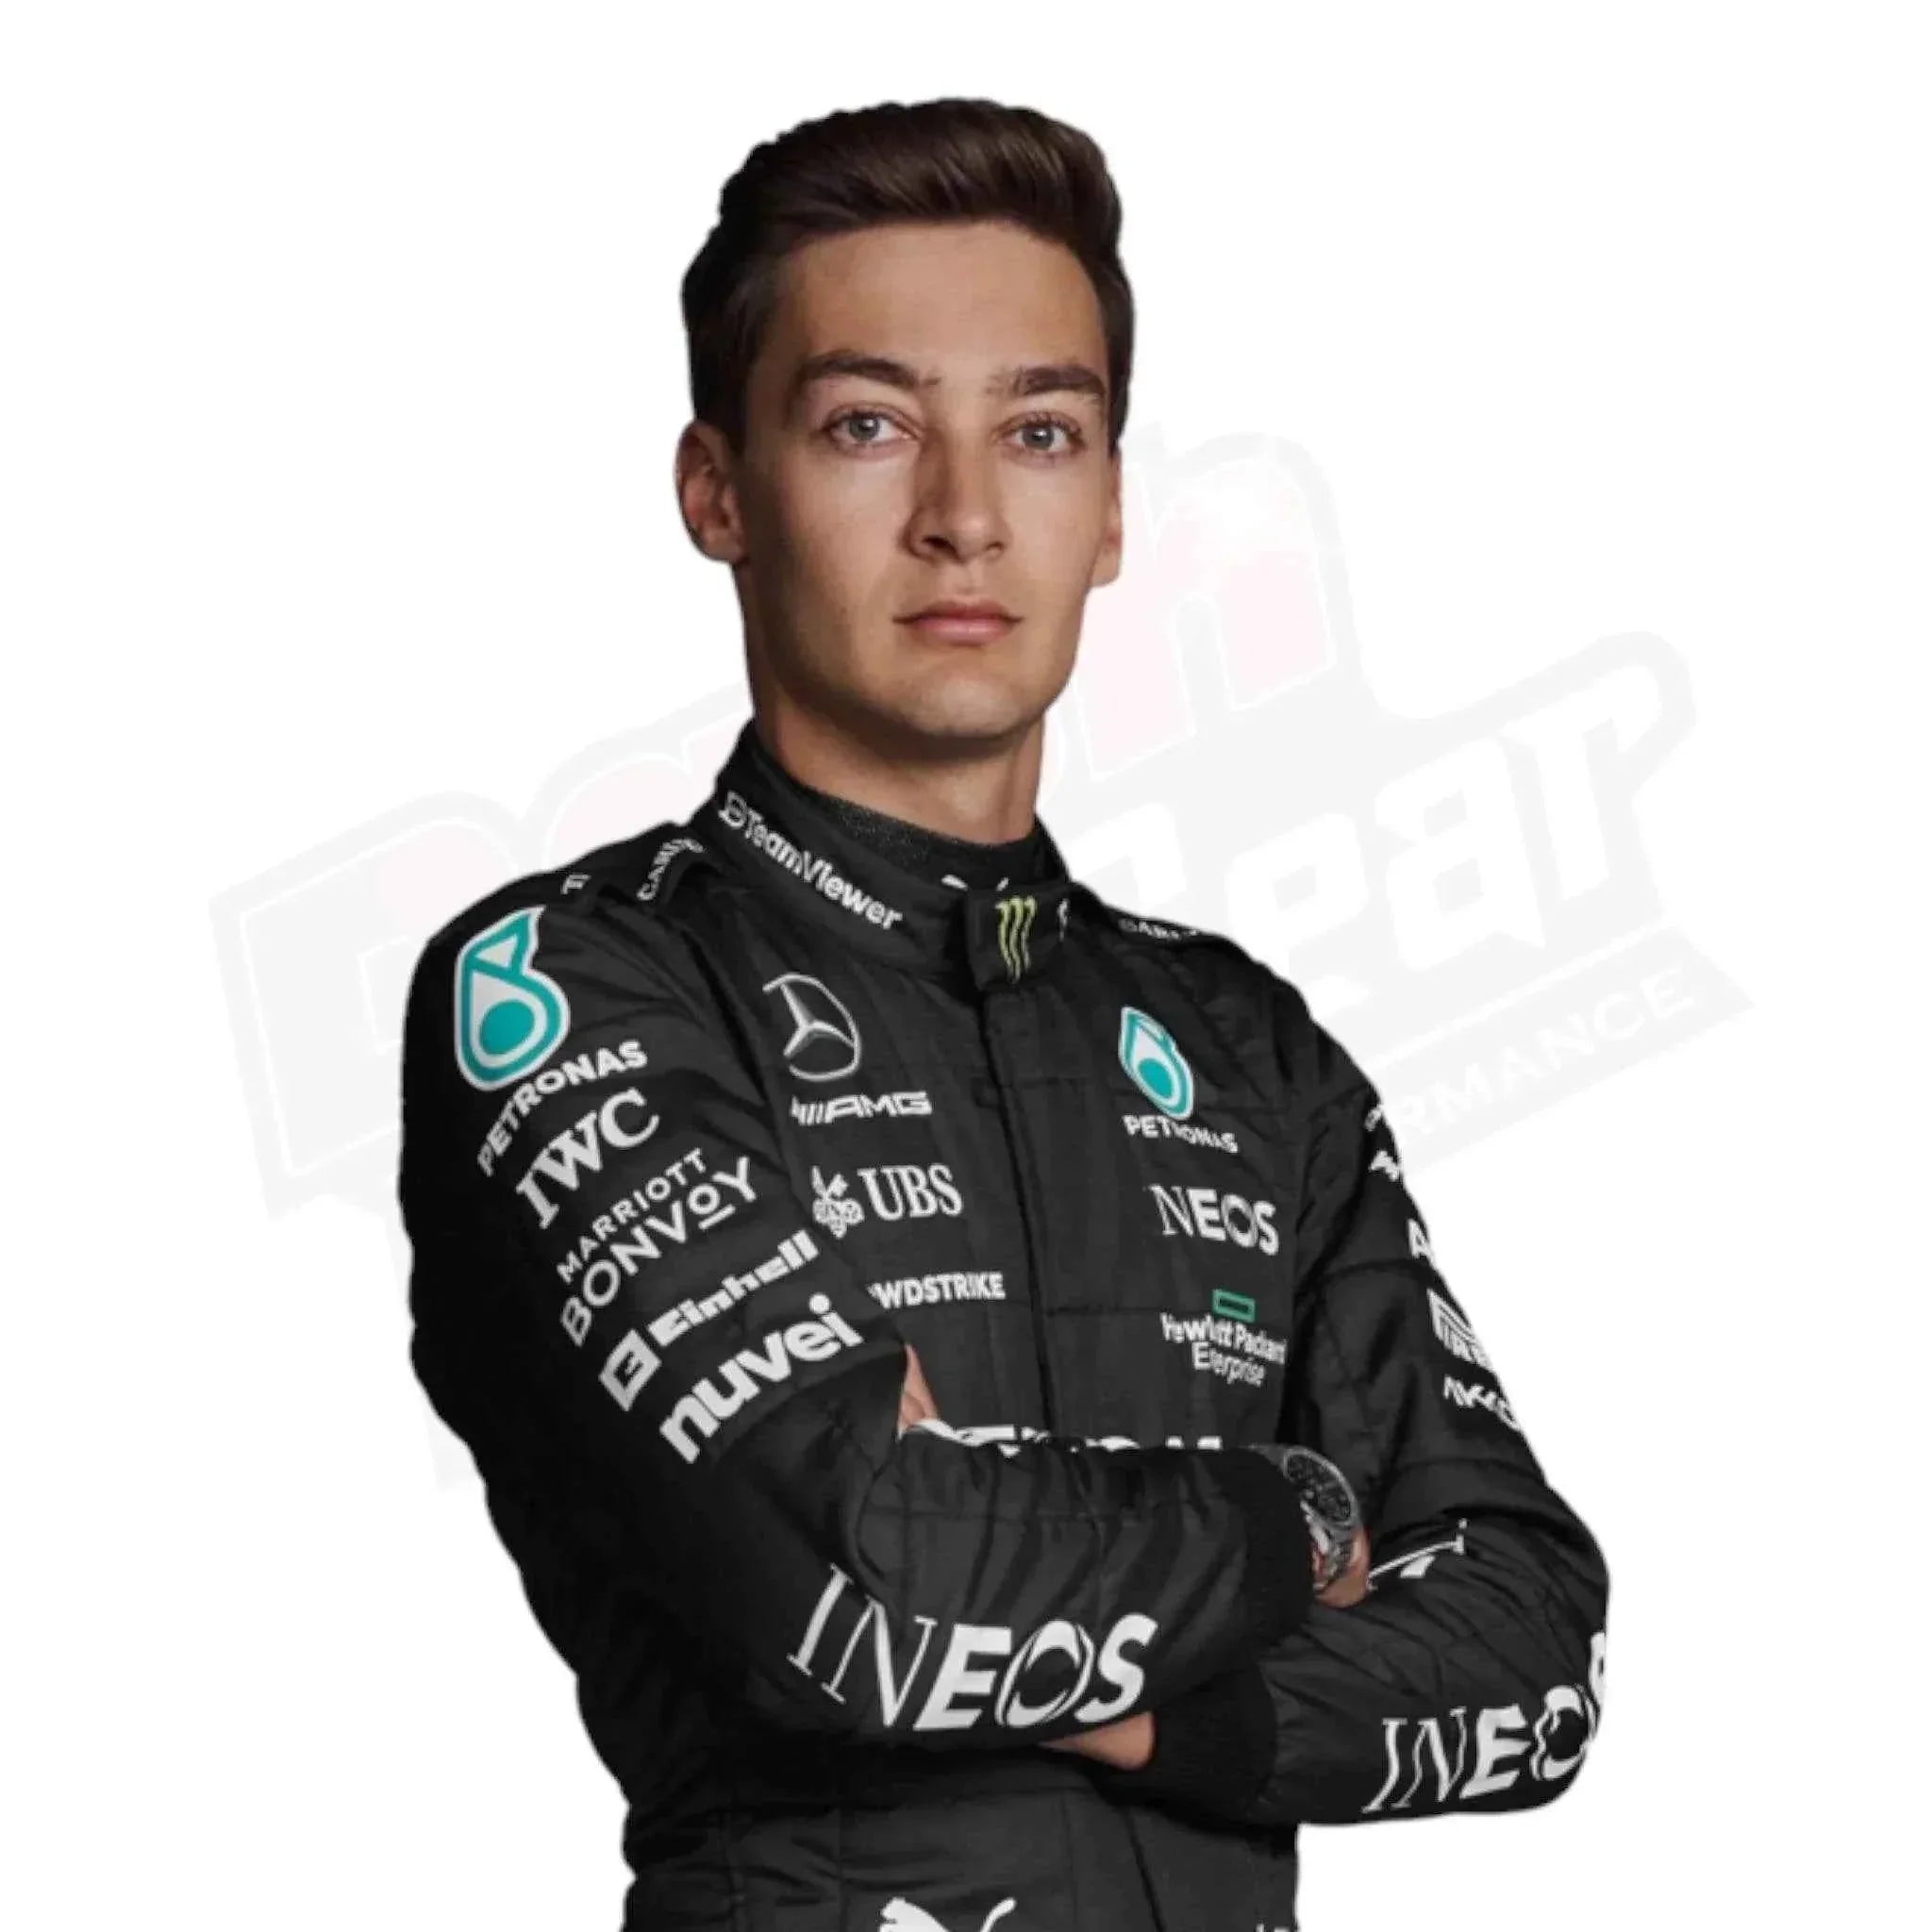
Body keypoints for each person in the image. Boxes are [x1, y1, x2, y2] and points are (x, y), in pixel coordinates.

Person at [397, 96, 1609, 1932]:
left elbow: (1531, 1641)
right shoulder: (571, 985)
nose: (963, 518)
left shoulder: (1247, 1045)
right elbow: (861, 1586)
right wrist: (1298, 1514)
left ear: (1110, 510)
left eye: (1039, 431)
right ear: (718, 489)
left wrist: (1171, 1701)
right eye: (868, 424)